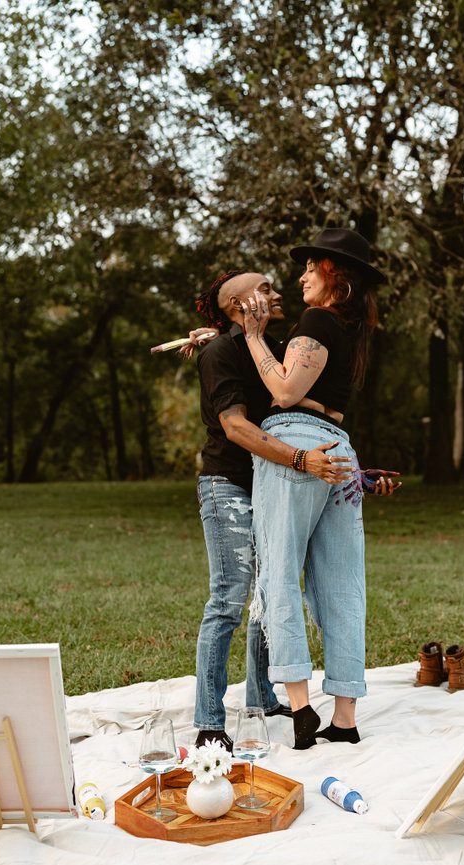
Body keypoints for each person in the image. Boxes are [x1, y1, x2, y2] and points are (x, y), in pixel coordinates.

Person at [241, 227, 400, 749]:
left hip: (298, 450)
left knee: (280, 574)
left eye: (311, 266)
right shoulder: (352, 333)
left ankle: (303, 709)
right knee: (342, 584)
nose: (301, 274)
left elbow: (286, 388)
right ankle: (346, 717)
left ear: (337, 276)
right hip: (342, 454)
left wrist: (252, 337)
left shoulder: (317, 320)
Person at [190, 269, 354, 751]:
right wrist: (302, 459)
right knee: (229, 599)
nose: (277, 291)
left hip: (271, 484)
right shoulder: (220, 353)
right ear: (240, 306)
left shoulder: (271, 347)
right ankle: (209, 720)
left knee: (270, 592)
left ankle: (262, 697)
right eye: (263, 289)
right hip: (228, 485)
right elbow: (237, 428)